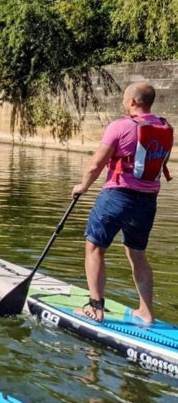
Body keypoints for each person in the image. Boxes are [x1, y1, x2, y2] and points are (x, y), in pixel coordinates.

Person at [72, 82, 172, 324]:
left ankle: (95, 308)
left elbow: (97, 164)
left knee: (95, 248)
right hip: (148, 202)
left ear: (132, 103)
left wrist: (82, 186)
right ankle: (146, 312)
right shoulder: (164, 127)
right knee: (138, 254)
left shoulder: (120, 126)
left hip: (117, 196)